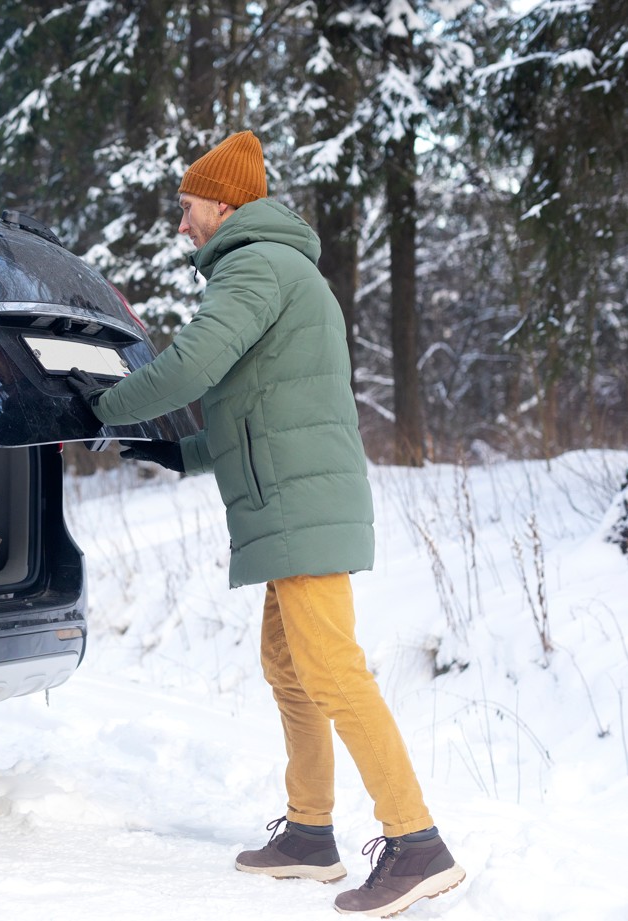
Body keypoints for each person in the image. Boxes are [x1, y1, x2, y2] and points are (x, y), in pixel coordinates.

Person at [67, 130, 466, 918]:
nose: (181, 225)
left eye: (187, 208)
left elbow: (191, 364)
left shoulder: (254, 264)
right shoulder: (278, 271)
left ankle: (417, 840)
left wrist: (101, 406)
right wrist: (175, 454)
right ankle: (311, 833)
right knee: (289, 666)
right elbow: (254, 408)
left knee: (332, 669)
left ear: (224, 203)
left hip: (300, 502)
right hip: (291, 498)